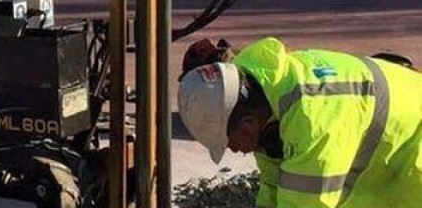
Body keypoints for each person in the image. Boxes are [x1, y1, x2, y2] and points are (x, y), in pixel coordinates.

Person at [178, 37, 422, 207]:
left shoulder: (312, 121)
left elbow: (308, 203)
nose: (235, 150)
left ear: (248, 124)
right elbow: (274, 184)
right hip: (390, 167)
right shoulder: (264, 99)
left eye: (229, 143)